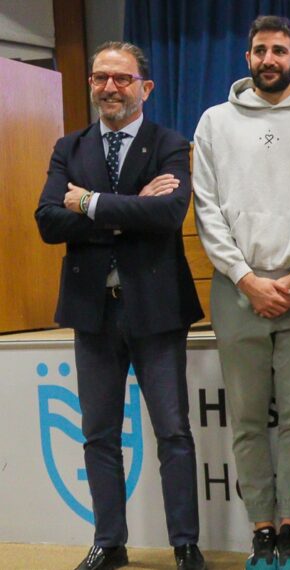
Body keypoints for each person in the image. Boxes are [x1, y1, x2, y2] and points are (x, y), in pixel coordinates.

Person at [34, 41, 206, 570]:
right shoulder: (70, 147)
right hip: (92, 311)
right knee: (98, 434)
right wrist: (128, 209)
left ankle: (184, 544)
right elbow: (47, 221)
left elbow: (168, 214)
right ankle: (109, 542)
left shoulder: (170, 143)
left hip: (156, 309)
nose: (109, 87)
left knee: (173, 432)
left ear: (145, 87)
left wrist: (86, 203)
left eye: (122, 79)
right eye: (100, 77)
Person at [192, 15, 290, 570]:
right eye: (259, 50)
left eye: (280, 51)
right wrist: (248, 279)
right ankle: (261, 528)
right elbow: (205, 209)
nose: (269, 59)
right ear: (248, 58)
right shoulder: (213, 122)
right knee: (249, 418)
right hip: (239, 292)